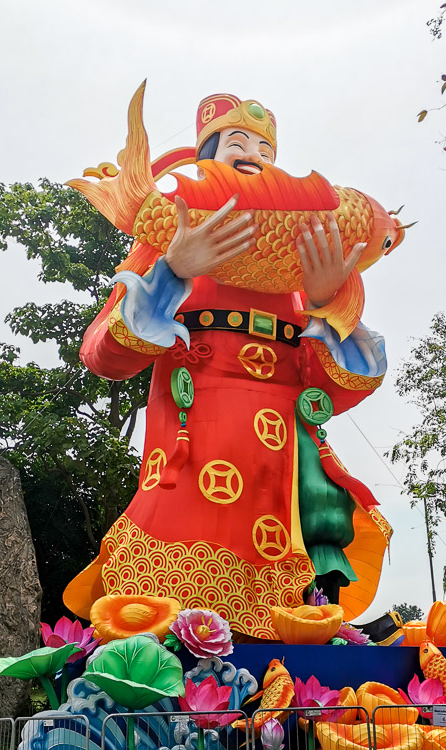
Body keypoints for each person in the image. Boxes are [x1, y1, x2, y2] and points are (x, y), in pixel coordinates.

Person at [64, 91, 392, 639]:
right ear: (207, 154)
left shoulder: (297, 274)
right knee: (162, 616)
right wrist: (173, 268)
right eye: (236, 142)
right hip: (188, 457)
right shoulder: (172, 234)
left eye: (265, 147)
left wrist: (326, 300)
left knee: (282, 624)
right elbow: (104, 353)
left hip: (276, 474)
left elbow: (328, 394)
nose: (253, 153)